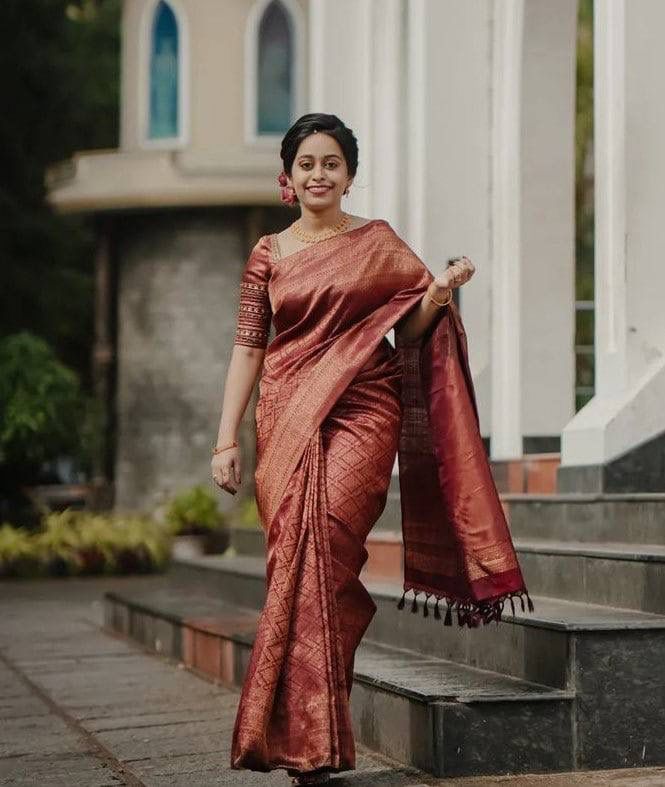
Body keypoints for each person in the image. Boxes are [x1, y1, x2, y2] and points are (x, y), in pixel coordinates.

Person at [211, 113, 533, 785]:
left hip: (364, 410)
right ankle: (309, 741)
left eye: (331, 162)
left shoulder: (377, 243)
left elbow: (412, 325)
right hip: (285, 423)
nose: (319, 173)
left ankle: (311, 734)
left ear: (349, 173)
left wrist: (438, 292)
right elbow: (249, 348)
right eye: (307, 163)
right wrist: (224, 440)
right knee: (291, 570)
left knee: (324, 558)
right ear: (288, 176)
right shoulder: (268, 253)